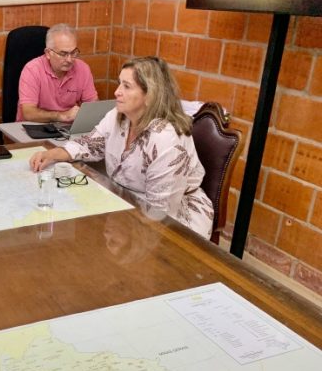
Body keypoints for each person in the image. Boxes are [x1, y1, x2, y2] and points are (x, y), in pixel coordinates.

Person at [29, 56, 214, 238]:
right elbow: (90, 144)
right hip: (126, 202)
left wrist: (119, 222)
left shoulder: (166, 138)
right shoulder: (118, 115)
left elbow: (159, 211)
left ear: (150, 95)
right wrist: (54, 153)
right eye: (119, 84)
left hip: (173, 222)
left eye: (127, 86)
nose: (117, 92)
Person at [16, 23, 98, 122]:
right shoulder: (32, 70)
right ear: (48, 53)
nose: (69, 59)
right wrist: (60, 116)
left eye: (73, 52)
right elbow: (29, 113)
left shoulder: (83, 68)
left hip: (67, 128)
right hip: (33, 126)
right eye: (63, 54)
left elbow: (93, 108)